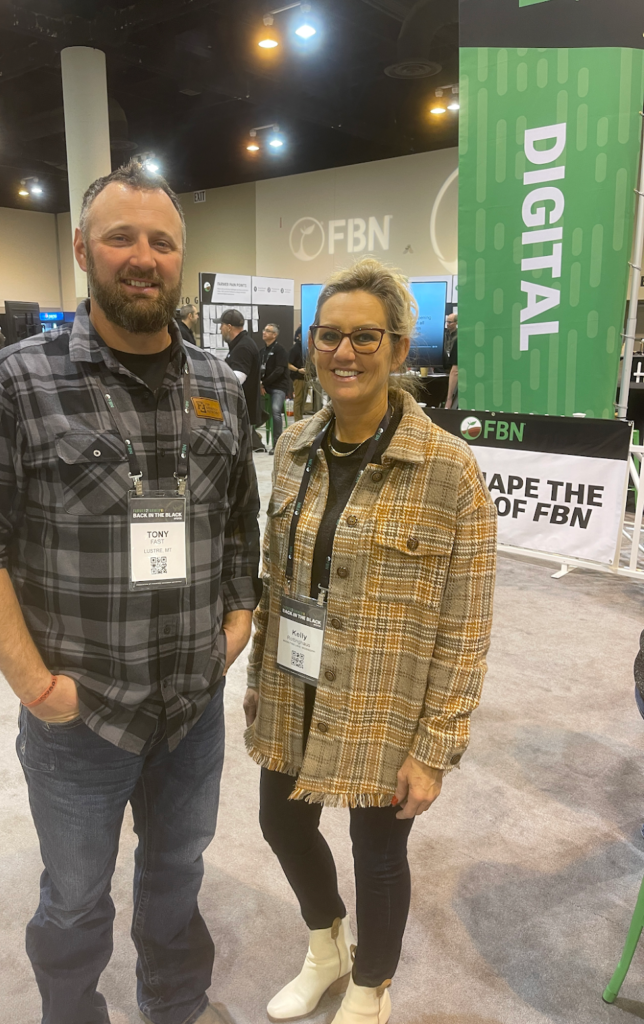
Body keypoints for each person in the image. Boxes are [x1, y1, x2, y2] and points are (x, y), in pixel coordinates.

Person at [0, 158, 261, 1024]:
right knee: (76, 895)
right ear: (82, 249)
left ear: (180, 258)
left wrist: (235, 625)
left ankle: (175, 1004)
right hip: (81, 715)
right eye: (121, 238)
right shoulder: (14, 381)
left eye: (162, 242)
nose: (143, 257)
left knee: (178, 871)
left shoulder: (219, 386)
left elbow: (239, 523)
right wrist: (36, 686)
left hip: (191, 703)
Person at [244, 258, 497, 1024]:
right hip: (296, 682)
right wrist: (258, 682)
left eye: (364, 337)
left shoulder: (448, 471)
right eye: (328, 336)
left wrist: (436, 745)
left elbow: (466, 623)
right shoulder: (294, 446)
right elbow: (275, 579)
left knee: (376, 851)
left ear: (396, 348)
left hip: (387, 698)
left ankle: (370, 984)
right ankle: (325, 947)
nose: (343, 352)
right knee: (281, 820)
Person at [221, 308, 264, 450]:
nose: (220, 329)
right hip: (241, 411)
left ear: (229, 327)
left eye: (221, 325)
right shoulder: (241, 344)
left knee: (240, 453)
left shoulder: (243, 347)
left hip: (241, 412)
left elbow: (237, 379)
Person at [260, 323, 290, 452]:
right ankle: (255, 441)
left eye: (267, 331)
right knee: (250, 407)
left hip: (278, 386)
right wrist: (260, 384)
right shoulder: (262, 352)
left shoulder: (280, 350)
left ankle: (277, 444)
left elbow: (279, 371)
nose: (264, 332)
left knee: (276, 410)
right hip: (264, 386)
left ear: (274, 335)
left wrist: (264, 383)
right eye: (264, 330)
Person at [288, 324, 306, 423]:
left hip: (306, 377)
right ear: (299, 335)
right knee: (298, 399)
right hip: (298, 377)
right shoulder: (295, 348)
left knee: (303, 400)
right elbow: (288, 364)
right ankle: (297, 420)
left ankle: (300, 418)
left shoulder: (306, 348)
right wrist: (298, 370)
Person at [444, 311, 458, 409]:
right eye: (447, 322)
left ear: (456, 323)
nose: (447, 324)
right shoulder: (443, 335)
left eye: (450, 322)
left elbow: (455, 370)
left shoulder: (459, 338)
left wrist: (449, 399)